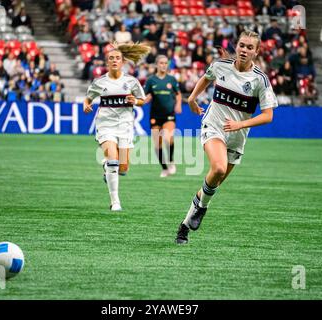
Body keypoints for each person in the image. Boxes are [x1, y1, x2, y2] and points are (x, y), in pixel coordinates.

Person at [175, 31, 278, 244]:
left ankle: (184, 227)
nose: (244, 50)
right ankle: (201, 208)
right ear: (237, 46)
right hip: (213, 126)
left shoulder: (260, 80)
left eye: (250, 47)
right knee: (219, 168)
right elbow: (206, 77)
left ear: (256, 52)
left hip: (237, 135)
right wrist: (192, 98)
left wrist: (241, 124)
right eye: (242, 45)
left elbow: (268, 116)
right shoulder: (221, 65)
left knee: (215, 181)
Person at [83, 42, 150, 211]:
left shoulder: (131, 81)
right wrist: (86, 105)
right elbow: (88, 98)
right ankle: (115, 202)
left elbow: (142, 100)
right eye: (111, 58)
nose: (114, 60)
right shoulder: (100, 82)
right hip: (106, 125)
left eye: (117, 58)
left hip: (125, 126)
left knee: (123, 167)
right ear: (107, 62)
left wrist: (135, 101)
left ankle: (107, 167)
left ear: (122, 61)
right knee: (113, 160)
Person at [144, 55, 182, 177]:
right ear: (156, 64)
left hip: (169, 114)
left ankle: (171, 161)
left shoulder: (171, 79)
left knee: (168, 138)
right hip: (155, 115)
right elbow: (145, 97)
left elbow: (178, 94)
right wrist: (145, 100)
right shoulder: (150, 80)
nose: (163, 65)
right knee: (157, 145)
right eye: (161, 63)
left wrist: (178, 105)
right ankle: (164, 168)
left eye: (165, 63)